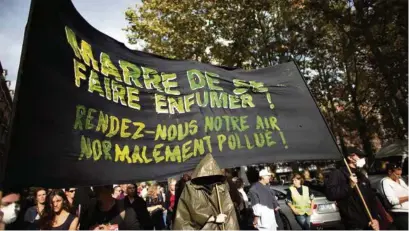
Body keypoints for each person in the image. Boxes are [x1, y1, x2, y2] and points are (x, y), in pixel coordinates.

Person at [173, 153, 239, 230]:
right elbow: (190, 214)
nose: (209, 180)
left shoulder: (221, 188)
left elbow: (229, 213)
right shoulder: (190, 188)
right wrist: (213, 218)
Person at [325, 147, 380, 230]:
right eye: (360, 156)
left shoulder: (361, 175)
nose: (363, 159)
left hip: (370, 222)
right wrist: (349, 186)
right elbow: (331, 194)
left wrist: (375, 218)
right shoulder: (337, 174)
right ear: (350, 158)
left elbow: (371, 198)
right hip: (354, 224)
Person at [380, 162, 408, 230]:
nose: (399, 176)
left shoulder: (400, 180)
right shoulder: (386, 182)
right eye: (397, 174)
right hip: (400, 213)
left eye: (400, 174)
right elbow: (392, 201)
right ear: (390, 172)